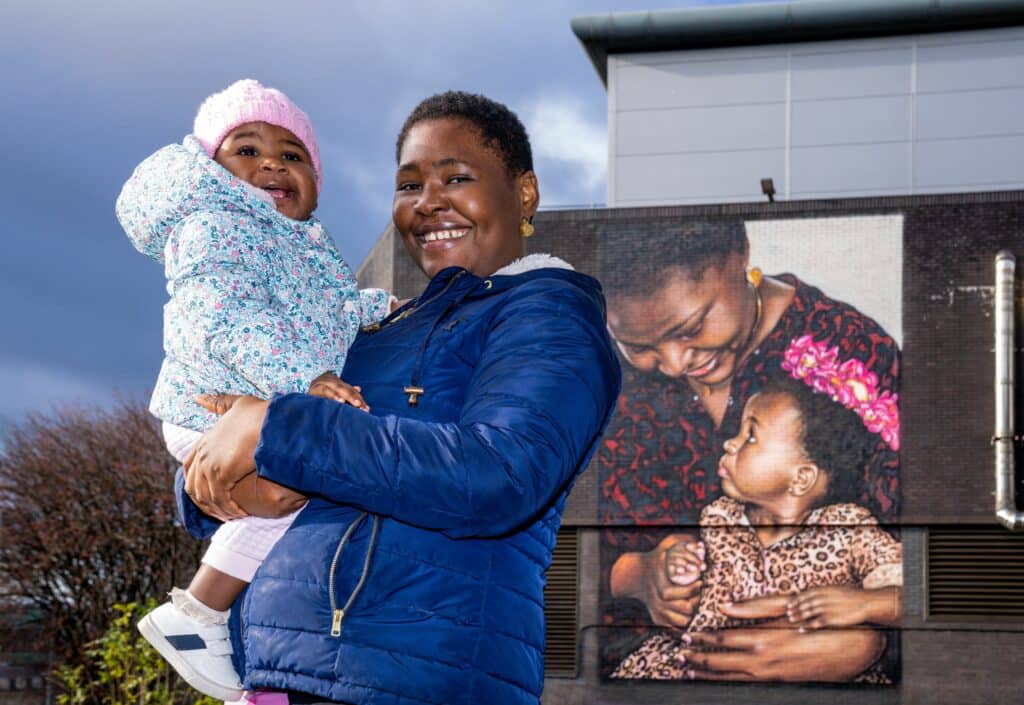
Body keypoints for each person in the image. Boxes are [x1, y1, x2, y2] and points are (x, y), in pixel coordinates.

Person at [176, 91, 621, 705]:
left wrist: (276, 430)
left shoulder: (548, 313)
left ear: (524, 194)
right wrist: (213, 473)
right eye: (409, 185)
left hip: (421, 682)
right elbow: (251, 440)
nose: (428, 202)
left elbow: (498, 475)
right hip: (277, 676)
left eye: (456, 177)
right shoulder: (374, 325)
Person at [116, 79, 392, 701]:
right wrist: (307, 379)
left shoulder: (302, 246)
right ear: (209, 170)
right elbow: (226, 320)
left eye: (293, 155)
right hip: (211, 403)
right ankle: (198, 612)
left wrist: (381, 308)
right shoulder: (215, 227)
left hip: (256, 400)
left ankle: (219, 623)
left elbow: (329, 308)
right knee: (291, 484)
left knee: (294, 487)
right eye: (246, 150)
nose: (272, 162)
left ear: (316, 179)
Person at [596, 220, 900, 681]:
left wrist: (863, 645)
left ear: (740, 255)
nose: (676, 365)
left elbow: (940, 571)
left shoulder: (849, 356)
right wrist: (634, 575)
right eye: (637, 346)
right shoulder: (595, 378)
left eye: (693, 327)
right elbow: (531, 552)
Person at [612, 356, 902, 680]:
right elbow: (683, 595)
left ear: (801, 478)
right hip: (697, 666)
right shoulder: (720, 518)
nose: (730, 443)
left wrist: (864, 604)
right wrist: (681, 568)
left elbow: (910, 595)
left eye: (750, 436)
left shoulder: (848, 528)